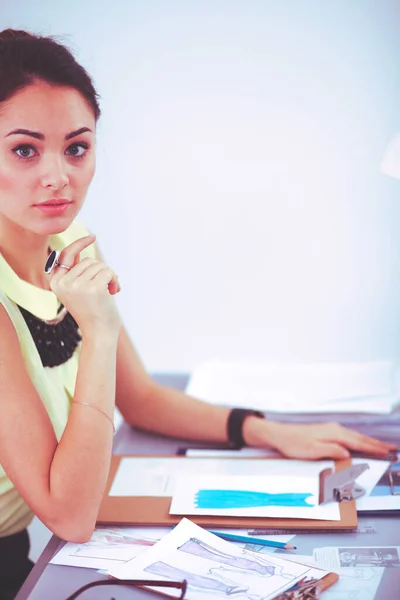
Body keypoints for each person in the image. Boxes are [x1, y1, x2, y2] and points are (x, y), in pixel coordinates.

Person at [0, 29, 394, 599]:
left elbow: (139, 398)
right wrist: (101, 333)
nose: (59, 176)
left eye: (77, 147)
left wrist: (265, 430)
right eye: (25, 150)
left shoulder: (71, 243)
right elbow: (69, 516)